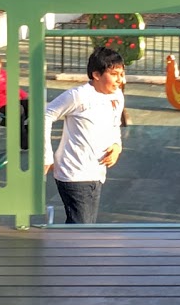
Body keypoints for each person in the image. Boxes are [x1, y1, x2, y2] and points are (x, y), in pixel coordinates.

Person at [43, 45, 126, 224]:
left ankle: (62, 247)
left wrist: (117, 145)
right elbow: (46, 114)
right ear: (96, 75)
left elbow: (114, 124)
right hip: (74, 173)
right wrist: (46, 156)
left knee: (83, 227)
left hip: (96, 171)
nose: (120, 79)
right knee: (82, 229)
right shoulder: (78, 96)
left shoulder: (117, 95)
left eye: (121, 74)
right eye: (114, 74)